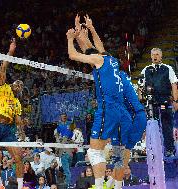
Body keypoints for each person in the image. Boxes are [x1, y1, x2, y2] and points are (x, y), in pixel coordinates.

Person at [75, 14, 146, 188]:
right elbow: (97, 50)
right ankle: (114, 185)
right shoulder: (115, 69)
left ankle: (108, 185)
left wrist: (79, 37)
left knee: (112, 155)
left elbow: (92, 53)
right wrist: (88, 31)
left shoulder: (107, 74)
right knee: (120, 157)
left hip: (125, 114)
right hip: (136, 115)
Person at [0, 39, 24, 189]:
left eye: (21, 86)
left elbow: (18, 121)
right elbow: (3, 67)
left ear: (20, 91)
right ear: (13, 84)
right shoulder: (2, 86)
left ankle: (20, 187)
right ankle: (0, 185)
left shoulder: (17, 103)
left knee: (19, 157)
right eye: (17, 83)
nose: (19, 85)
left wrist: (21, 128)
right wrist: (11, 52)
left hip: (8, 130)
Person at [141, 47, 178, 157]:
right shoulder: (146, 70)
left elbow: (174, 85)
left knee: (167, 126)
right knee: (152, 127)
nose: (155, 56)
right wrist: (141, 100)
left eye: (157, 54)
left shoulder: (168, 68)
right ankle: (154, 150)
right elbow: (140, 87)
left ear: (161, 56)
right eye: (153, 55)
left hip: (165, 101)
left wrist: (175, 101)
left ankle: (170, 149)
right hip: (151, 103)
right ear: (150, 56)